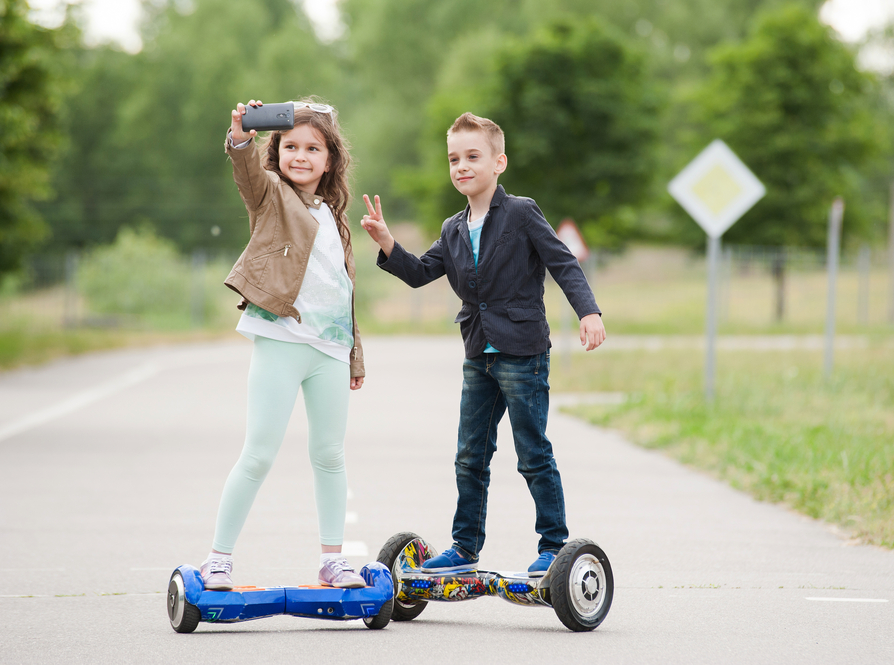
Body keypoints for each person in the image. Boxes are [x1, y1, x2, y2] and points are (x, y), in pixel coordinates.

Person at [360, 112, 605, 576]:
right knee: (470, 455)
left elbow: (563, 263)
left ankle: (554, 545)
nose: (462, 166)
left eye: (473, 156)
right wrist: (389, 242)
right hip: (479, 355)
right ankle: (464, 547)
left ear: (499, 162)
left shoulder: (521, 213)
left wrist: (588, 311)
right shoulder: (453, 228)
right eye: (454, 158)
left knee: (532, 452)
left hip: (523, 353)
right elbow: (418, 274)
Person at [200, 99, 367, 591]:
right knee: (258, 454)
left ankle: (333, 561)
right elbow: (247, 171)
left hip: (330, 351)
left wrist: (354, 355)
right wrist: (240, 137)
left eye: (312, 148)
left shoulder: (337, 219)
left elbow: (343, 290)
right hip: (281, 337)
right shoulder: (271, 195)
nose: (301, 156)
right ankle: (218, 559)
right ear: (277, 153)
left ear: (330, 159)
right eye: (290, 146)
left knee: (330, 455)